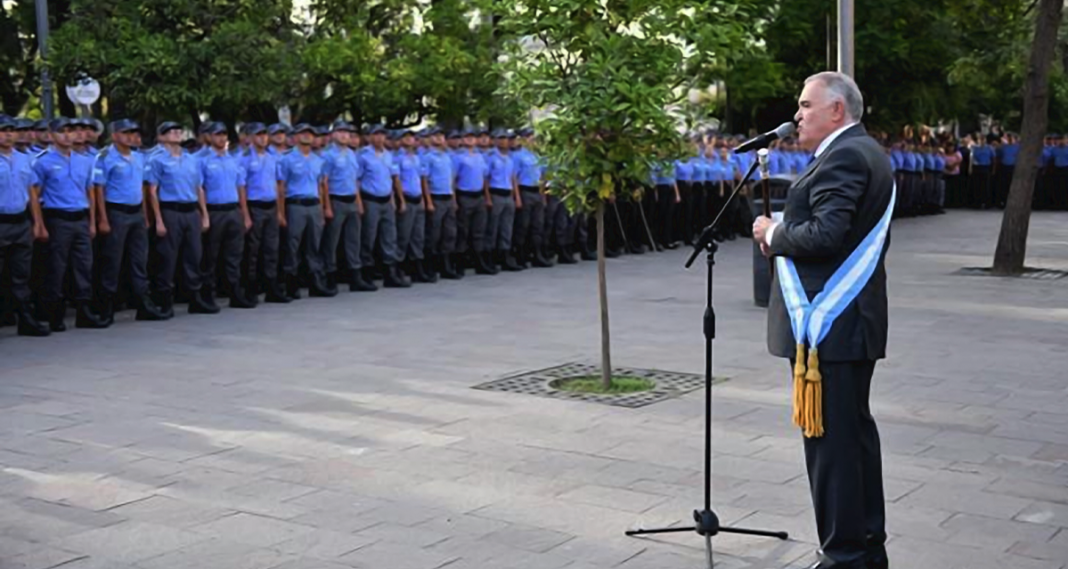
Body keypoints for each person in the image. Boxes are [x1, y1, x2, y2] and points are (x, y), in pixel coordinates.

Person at [752, 72, 891, 569]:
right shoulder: (861, 151)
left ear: (837, 110)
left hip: (832, 326)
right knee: (851, 440)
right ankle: (864, 547)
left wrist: (775, 230)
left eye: (806, 105)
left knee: (833, 449)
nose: (798, 115)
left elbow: (827, 234)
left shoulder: (845, 155)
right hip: (847, 326)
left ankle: (844, 555)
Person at [31, 118, 110, 331]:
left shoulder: (84, 161)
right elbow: (35, 194)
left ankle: (84, 310)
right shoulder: (42, 161)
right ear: (52, 134)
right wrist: (40, 224)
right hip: (57, 218)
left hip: (80, 218)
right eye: (62, 131)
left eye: (72, 131)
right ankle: (54, 313)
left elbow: (89, 192)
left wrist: (92, 221)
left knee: (84, 266)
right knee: (56, 267)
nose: (68, 135)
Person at [92, 119, 169, 323]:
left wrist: (144, 215)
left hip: (136, 213)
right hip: (116, 212)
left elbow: (143, 188)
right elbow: (99, 189)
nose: (131, 136)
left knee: (139, 260)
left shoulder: (138, 156)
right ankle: (106, 306)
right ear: (115, 135)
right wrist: (103, 218)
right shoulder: (105, 156)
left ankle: (143, 303)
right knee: (113, 261)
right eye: (126, 132)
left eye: (133, 132)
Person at [146, 121, 218, 315]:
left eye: (178, 131)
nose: (176, 134)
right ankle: (165, 300)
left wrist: (204, 215)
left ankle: (195, 298)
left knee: (194, 256)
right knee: (168, 257)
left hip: (190, 210)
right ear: (161, 137)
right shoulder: (157, 159)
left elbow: (199, 188)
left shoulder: (190, 158)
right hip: (170, 210)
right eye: (171, 131)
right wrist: (158, 219)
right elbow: (152, 191)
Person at [0, 116, 50, 336]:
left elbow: (32, 193)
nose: (9, 134)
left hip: (21, 222)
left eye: (11, 130)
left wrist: (37, 223)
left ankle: (25, 319)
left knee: (21, 274)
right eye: (3, 130)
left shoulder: (23, 160)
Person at [276, 123, 337, 299]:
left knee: (314, 245)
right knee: (292, 245)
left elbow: (321, 186)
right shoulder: (286, 159)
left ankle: (315, 282)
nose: (307, 136)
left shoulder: (319, 160)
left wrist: (324, 207)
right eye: (303, 133)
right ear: (294, 137)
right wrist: (280, 212)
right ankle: (291, 284)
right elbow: (281, 187)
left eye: (310, 134)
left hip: (314, 205)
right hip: (295, 204)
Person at [199, 122, 256, 309]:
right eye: (217, 134)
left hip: (233, 211)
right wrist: (205, 215)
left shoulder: (233, 160)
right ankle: (208, 294)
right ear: (209, 137)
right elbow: (199, 189)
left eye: (224, 134)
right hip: (215, 210)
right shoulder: (202, 160)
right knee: (211, 256)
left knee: (234, 255)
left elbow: (240, 188)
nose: (221, 138)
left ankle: (235, 293)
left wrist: (245, 215)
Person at [321, 121, 376, 292]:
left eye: (348, 132)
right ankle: (329, 275)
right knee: (332, 241)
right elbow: (324, 183)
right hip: (336, 200)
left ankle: (355, 277)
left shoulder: (352, 154)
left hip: (352, 199)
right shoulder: (327, 155)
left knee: (354, 240)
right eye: (341, 132)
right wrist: (327, 207)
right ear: (333, 135)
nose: (345, 135)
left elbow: (354, 181)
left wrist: (359, 203)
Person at [239, 122, 289, 303]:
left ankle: (271, 286)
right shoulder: (244, 158)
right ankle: (250, 287)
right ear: (251, 137)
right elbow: (241, 187)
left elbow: (278, 185)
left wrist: (280, 211)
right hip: (255, 206)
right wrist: (245, 214)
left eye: (264, 134)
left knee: (271, 249)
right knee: (252, 250)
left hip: (270, 206)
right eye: (258, 135)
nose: (263, 138)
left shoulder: (271, 157)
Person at [357, 125, 410, 288]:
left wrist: (395, 200)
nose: (380, 138)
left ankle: (390, 273)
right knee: (368, 237)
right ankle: (366, 272)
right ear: (369, 137)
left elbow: (392, 178)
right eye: (376, 134)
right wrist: (359, 203)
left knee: (389, 237)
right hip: (370, 200)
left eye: (382, 134)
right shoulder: (363, 155)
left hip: (386, 200)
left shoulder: (389, 155)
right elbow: (356, 181)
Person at [394, 130, 433, 282]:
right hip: (406, 198)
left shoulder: (417, 157)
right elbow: (396, 180)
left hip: (417, 198)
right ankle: (398, 267)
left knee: (418, 236)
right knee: (403, 235)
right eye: (406, 137)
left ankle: (417, 267)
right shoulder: (397, 157)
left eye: (412, 137)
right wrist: (401, 201)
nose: (410, 140)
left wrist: (424, 199)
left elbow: (421, 180)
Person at [422, 128, 462, 279]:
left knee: (449, 233)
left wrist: (454, 199)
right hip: (436, 197)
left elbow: (451, 180)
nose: (439, 138)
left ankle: (446, 265)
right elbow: (424, 181)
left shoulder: (447, 157)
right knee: (434, 234)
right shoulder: (428, 157)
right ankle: (430, 266)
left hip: (448, 197)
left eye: (441, 135)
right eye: (436, 136)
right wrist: (429, 202)